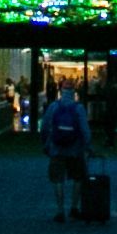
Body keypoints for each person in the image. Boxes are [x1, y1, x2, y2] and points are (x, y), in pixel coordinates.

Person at [41, 84, 93, 220]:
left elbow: (45, 126)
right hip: (75, 150)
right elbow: (85, 130)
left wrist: (46, 144)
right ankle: (74, 208)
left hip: (56, 148)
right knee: (78, 177)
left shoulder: (54, 106)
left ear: (61, 92)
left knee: (58, 179)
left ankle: (60, 210)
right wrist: (87, 145)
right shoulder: (79, 108)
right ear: (74, 92)